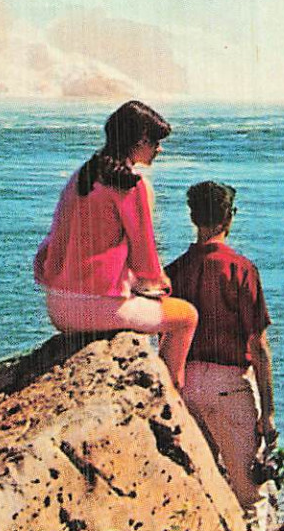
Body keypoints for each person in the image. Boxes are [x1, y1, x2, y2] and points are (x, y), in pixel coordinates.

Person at [34, 100, 198, 388]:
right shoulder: (131, 186)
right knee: (186, 316)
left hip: (58, 305)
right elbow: (145, 263)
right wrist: (160, 285)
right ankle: (173, 394)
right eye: (155, 142)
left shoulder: (80, 177)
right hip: (94, 309)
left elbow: (50, 247)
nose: (159, 149)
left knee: (146, 304)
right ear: (139, 141)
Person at [165, 180, 277, 531]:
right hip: (230, 387)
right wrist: (269, 413)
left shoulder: (174, 271)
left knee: (206, 484)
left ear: (193, 217)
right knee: (251, 494)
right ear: (229, 217)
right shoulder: (241, 270)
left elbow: (165, 337)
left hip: (187, 383)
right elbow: (258, 346)